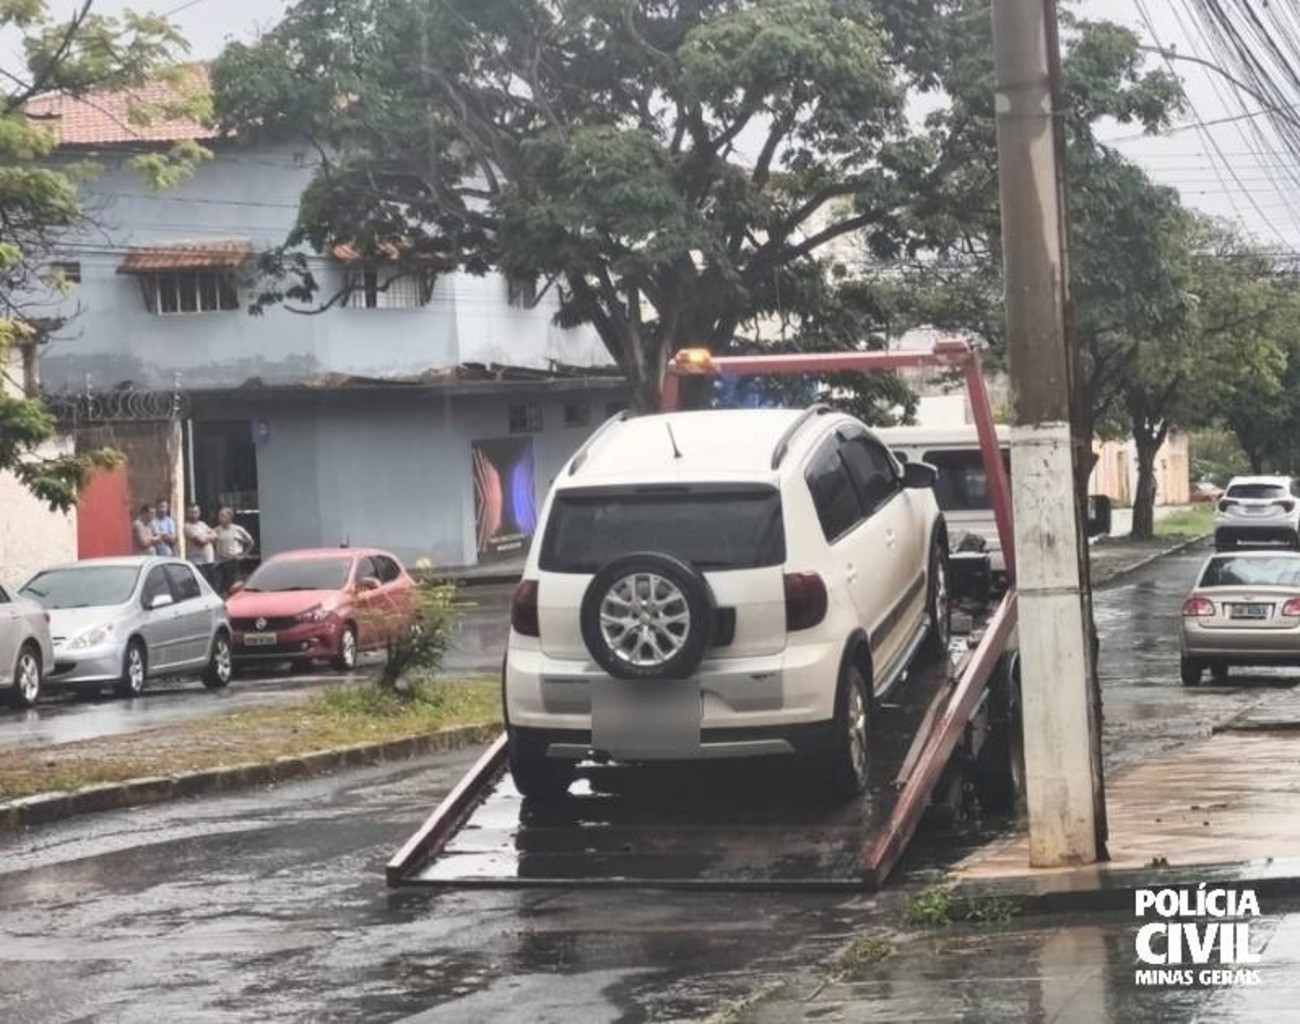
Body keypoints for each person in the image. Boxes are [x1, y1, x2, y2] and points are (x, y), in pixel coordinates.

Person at [213, 506, 255, 594]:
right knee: (219, 586)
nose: (220, 518)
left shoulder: (238, 529)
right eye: (220, 516)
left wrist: (244, 555)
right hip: (220, 562)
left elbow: (251, 542)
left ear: (230, 518)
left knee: (232, 587)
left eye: (223, 516)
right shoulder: (216, 530)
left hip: (232, 561)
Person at [184, 505, 219, 587]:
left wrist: (206, 537)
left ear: (199, 513)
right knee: (202, 587)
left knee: (212, 587)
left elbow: (216, 535)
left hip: (209, 561)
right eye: (191, 513)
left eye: (195, 512)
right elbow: (201, 542)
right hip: (197, 563)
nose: (193, 515)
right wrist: (209, 536)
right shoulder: (187, 527)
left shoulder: (203, 524)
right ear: (187, 514)